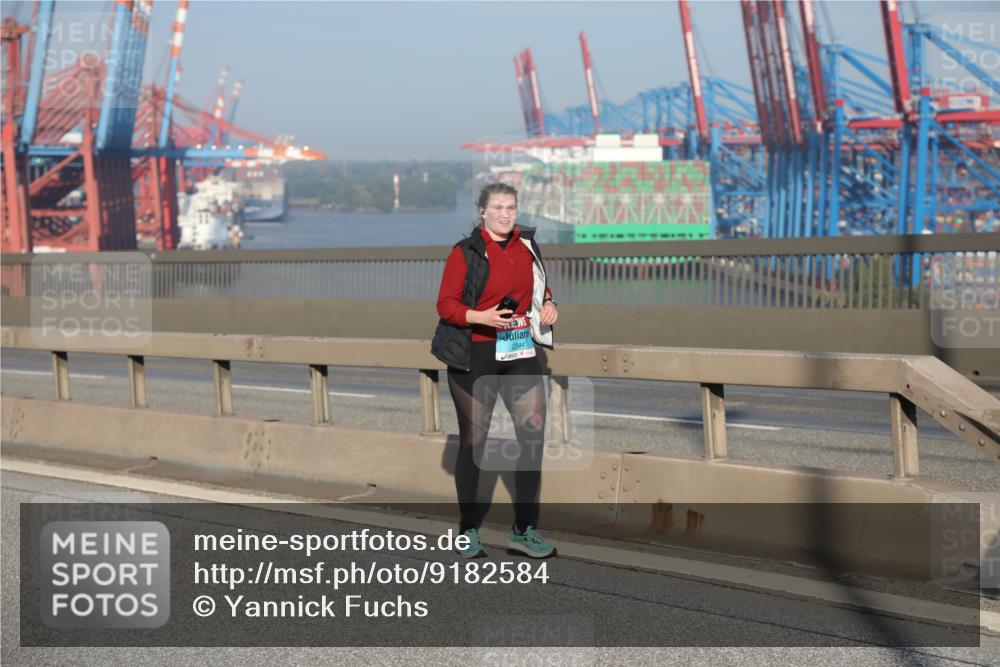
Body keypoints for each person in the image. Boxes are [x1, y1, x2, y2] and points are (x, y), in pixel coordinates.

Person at [431, 182, 558, 559]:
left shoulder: (529, 247)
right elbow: (446, 304)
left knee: (532, 438)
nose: (505, 214)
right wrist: (479, 316)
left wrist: (550, 305)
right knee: (475, 443)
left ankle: (523, 531)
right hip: (476, 353)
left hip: (519, 350)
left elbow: (541, 290)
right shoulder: (466, 251)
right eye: (498, 207)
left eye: (511, 207)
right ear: (482, 211)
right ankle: (468, 531)